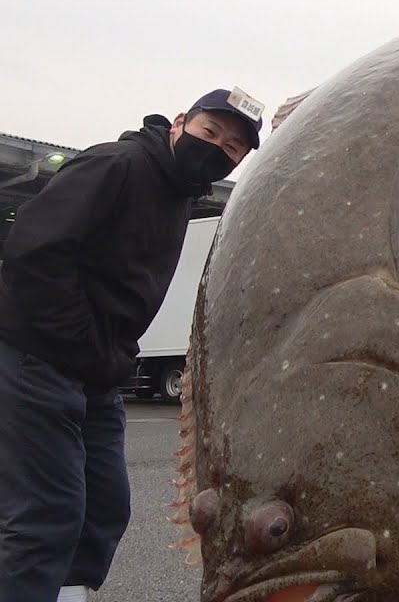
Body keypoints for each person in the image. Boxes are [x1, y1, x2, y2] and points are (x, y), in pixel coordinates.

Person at [0, 87, 265, 602]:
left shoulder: (179, 195)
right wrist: (89, 348)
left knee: (104, 505)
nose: (217, 149)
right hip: (37, 359)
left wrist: (104, 360)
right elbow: (35, 253)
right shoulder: (117, 165)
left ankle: (67, 593)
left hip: (96, 371)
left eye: (232, 148)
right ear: (179, 122)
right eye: (209, 133)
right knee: (45, 511)